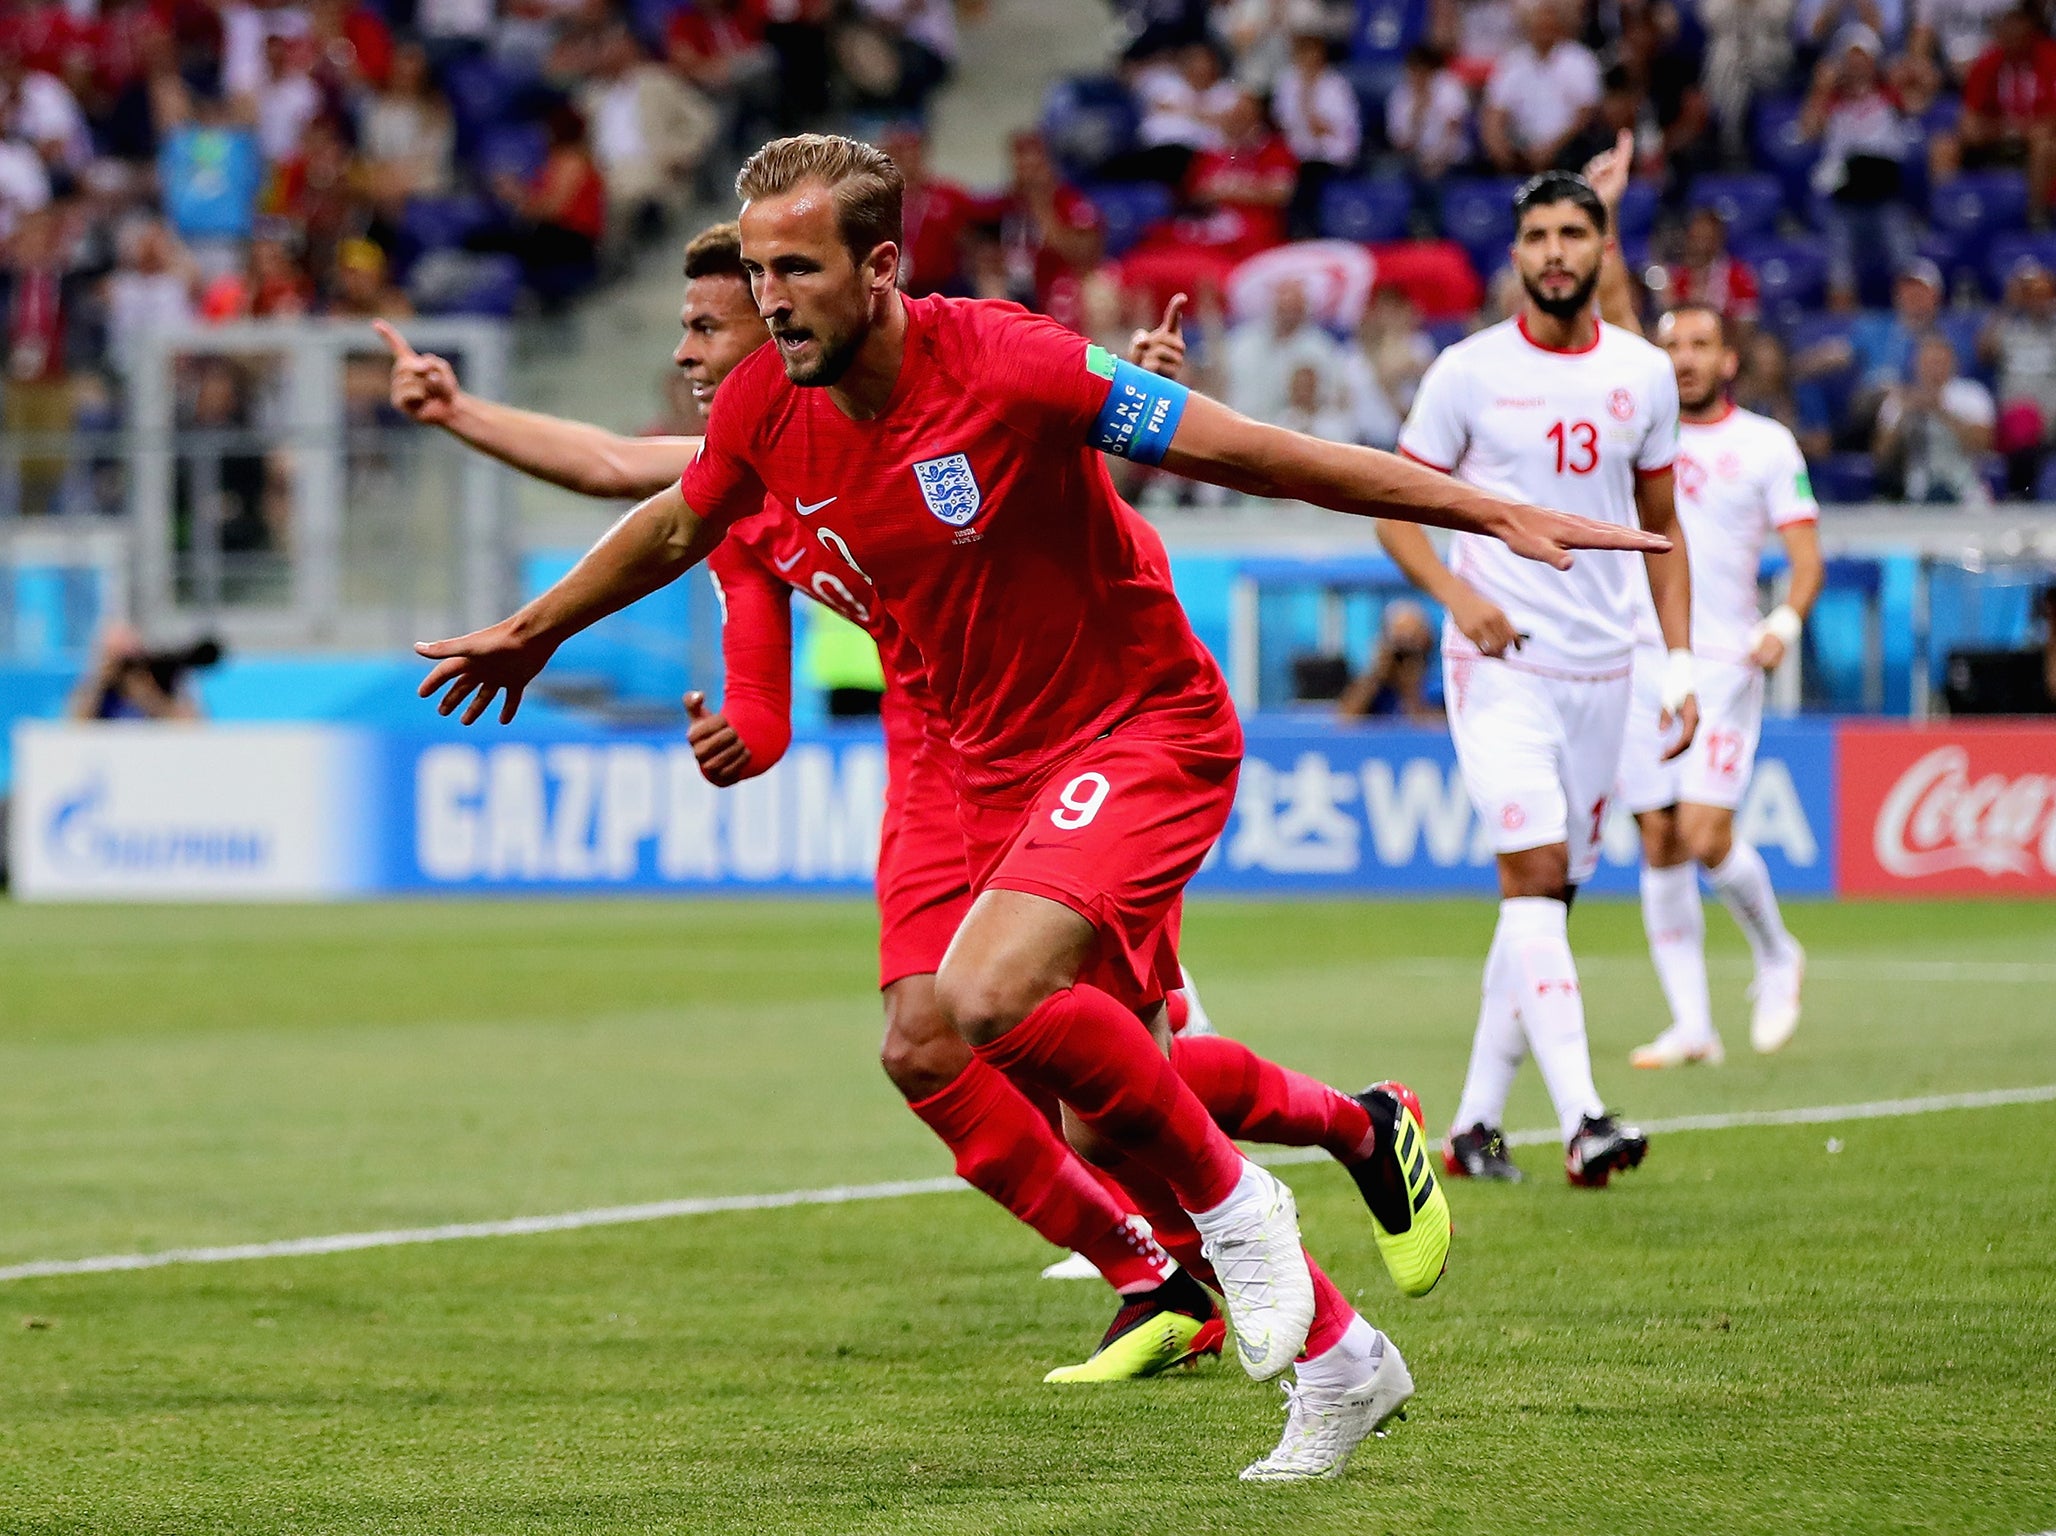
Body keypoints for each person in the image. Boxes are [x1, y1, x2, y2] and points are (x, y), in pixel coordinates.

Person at [410, 135, 1659, 1479]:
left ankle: (1244, 1224)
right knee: (1045, 1089)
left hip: (1137, 727)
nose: (767, 304)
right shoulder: (769, 407)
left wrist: (1483, 510)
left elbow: (1254, 453)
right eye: (754, 273)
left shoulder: (1008, 361)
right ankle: (1345, 1355)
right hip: (968, 762)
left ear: (880, 268)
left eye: (796, 270)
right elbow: (665, 519)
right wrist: (535, 631)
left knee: (987, 997)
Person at [1376, 164, 1695, 1188]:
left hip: (1606, 673)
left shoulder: (1644, 374)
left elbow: (1661, 529)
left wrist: (1677, 663)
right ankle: (1584, 1115)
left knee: (1544, 899)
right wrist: (1457, 598)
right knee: (1529, 875)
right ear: (1514, 253)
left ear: (1603, 250)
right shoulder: (1467, 371)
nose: (1554, 252)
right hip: (1498, 663)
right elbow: (1395, 505)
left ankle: (1471, 1126)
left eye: (1573, 234)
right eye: (1537, 236)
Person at [1481, 0, 1602, 175]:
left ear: (1558, 27)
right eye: (1538, 25)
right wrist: (1498, 148)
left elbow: (1586, 114)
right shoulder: (1512, 63)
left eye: (1548, 25)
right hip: (1522, 149)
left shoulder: (1579, 60)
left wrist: (1551, 148)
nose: (1543, 31)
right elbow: (1494, 113)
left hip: (1568, 149)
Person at [1873, 331, 1997, 501]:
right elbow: (1882, 456)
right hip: (1916, 493)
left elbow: (1982, 445)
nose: (1934, 369)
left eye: (1939, 362)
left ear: (1953, 364)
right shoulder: (1902, 398)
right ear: (1916, 365)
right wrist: (1902, 416)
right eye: (1928, 362)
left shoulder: (1972, 394)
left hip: (1966, 490)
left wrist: (1940, 410)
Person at [1336, 599, 1443, 719]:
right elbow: (1345, 719)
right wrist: (1376, 674)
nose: (1404, 646)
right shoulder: (1379, 687)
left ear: (1427, 640)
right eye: (1398, 637)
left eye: (1412, 637)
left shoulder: (1438, 685)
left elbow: (1433, 726)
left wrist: (1410, 689)